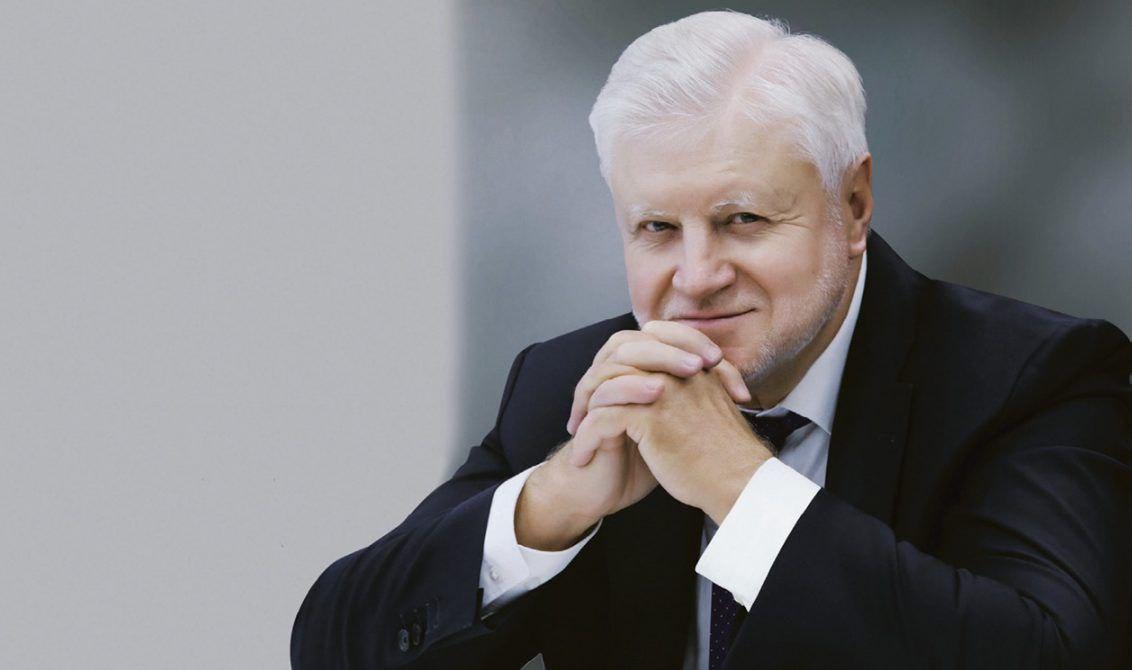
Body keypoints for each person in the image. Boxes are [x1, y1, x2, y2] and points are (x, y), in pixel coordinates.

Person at [291, 11, 1132, 669]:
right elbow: (332, 647)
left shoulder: (1035, 380)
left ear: (853, 206)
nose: (695, 278)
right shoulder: (575, 385)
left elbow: (1051, 654)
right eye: (657, 228)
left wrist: (737, 483)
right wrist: (549, 508)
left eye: (742, 220)